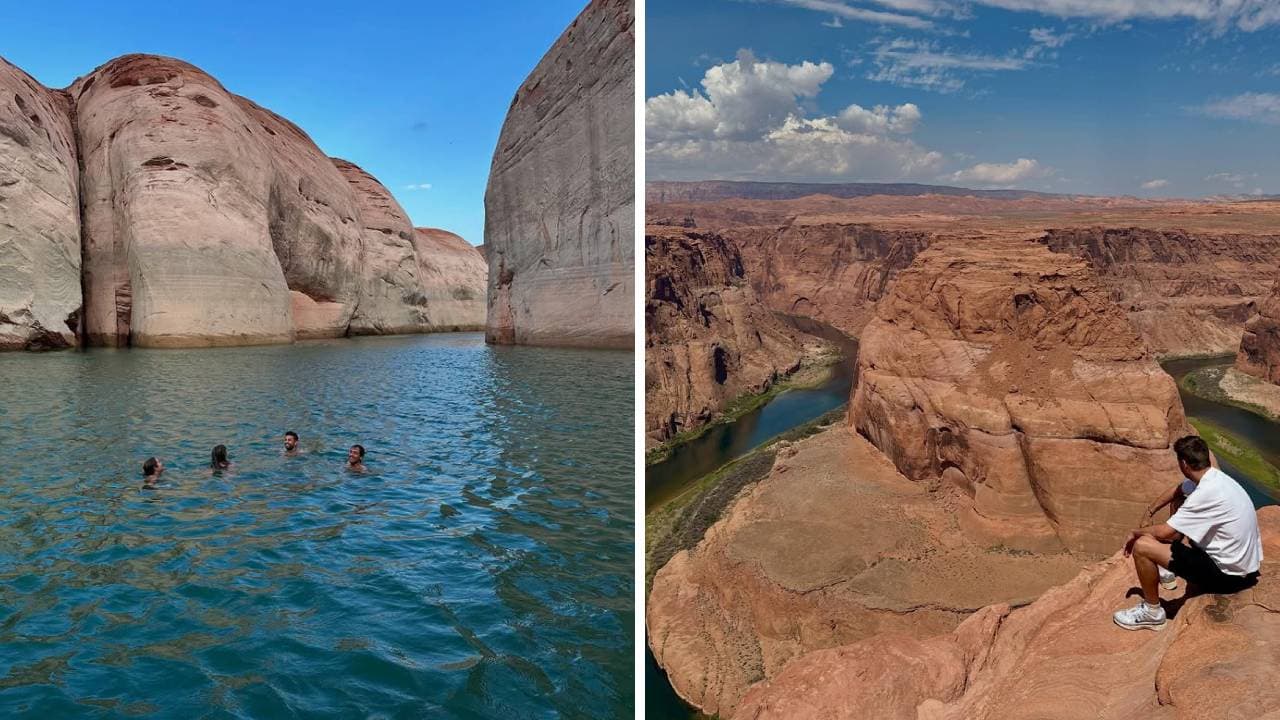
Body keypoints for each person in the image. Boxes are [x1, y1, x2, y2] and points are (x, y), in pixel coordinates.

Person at [1113, 435, 1263, 631]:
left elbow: (1165, 533)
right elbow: (1178, 489)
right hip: (1245, 568)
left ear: (1183, 463)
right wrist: (1151, 510)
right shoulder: (1215, 478)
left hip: (1227, 577)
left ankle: (1152, 613)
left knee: (1142, 546)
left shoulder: (1205, 494)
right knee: (1179, 501)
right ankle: (1166, 567)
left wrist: (1136, 532)